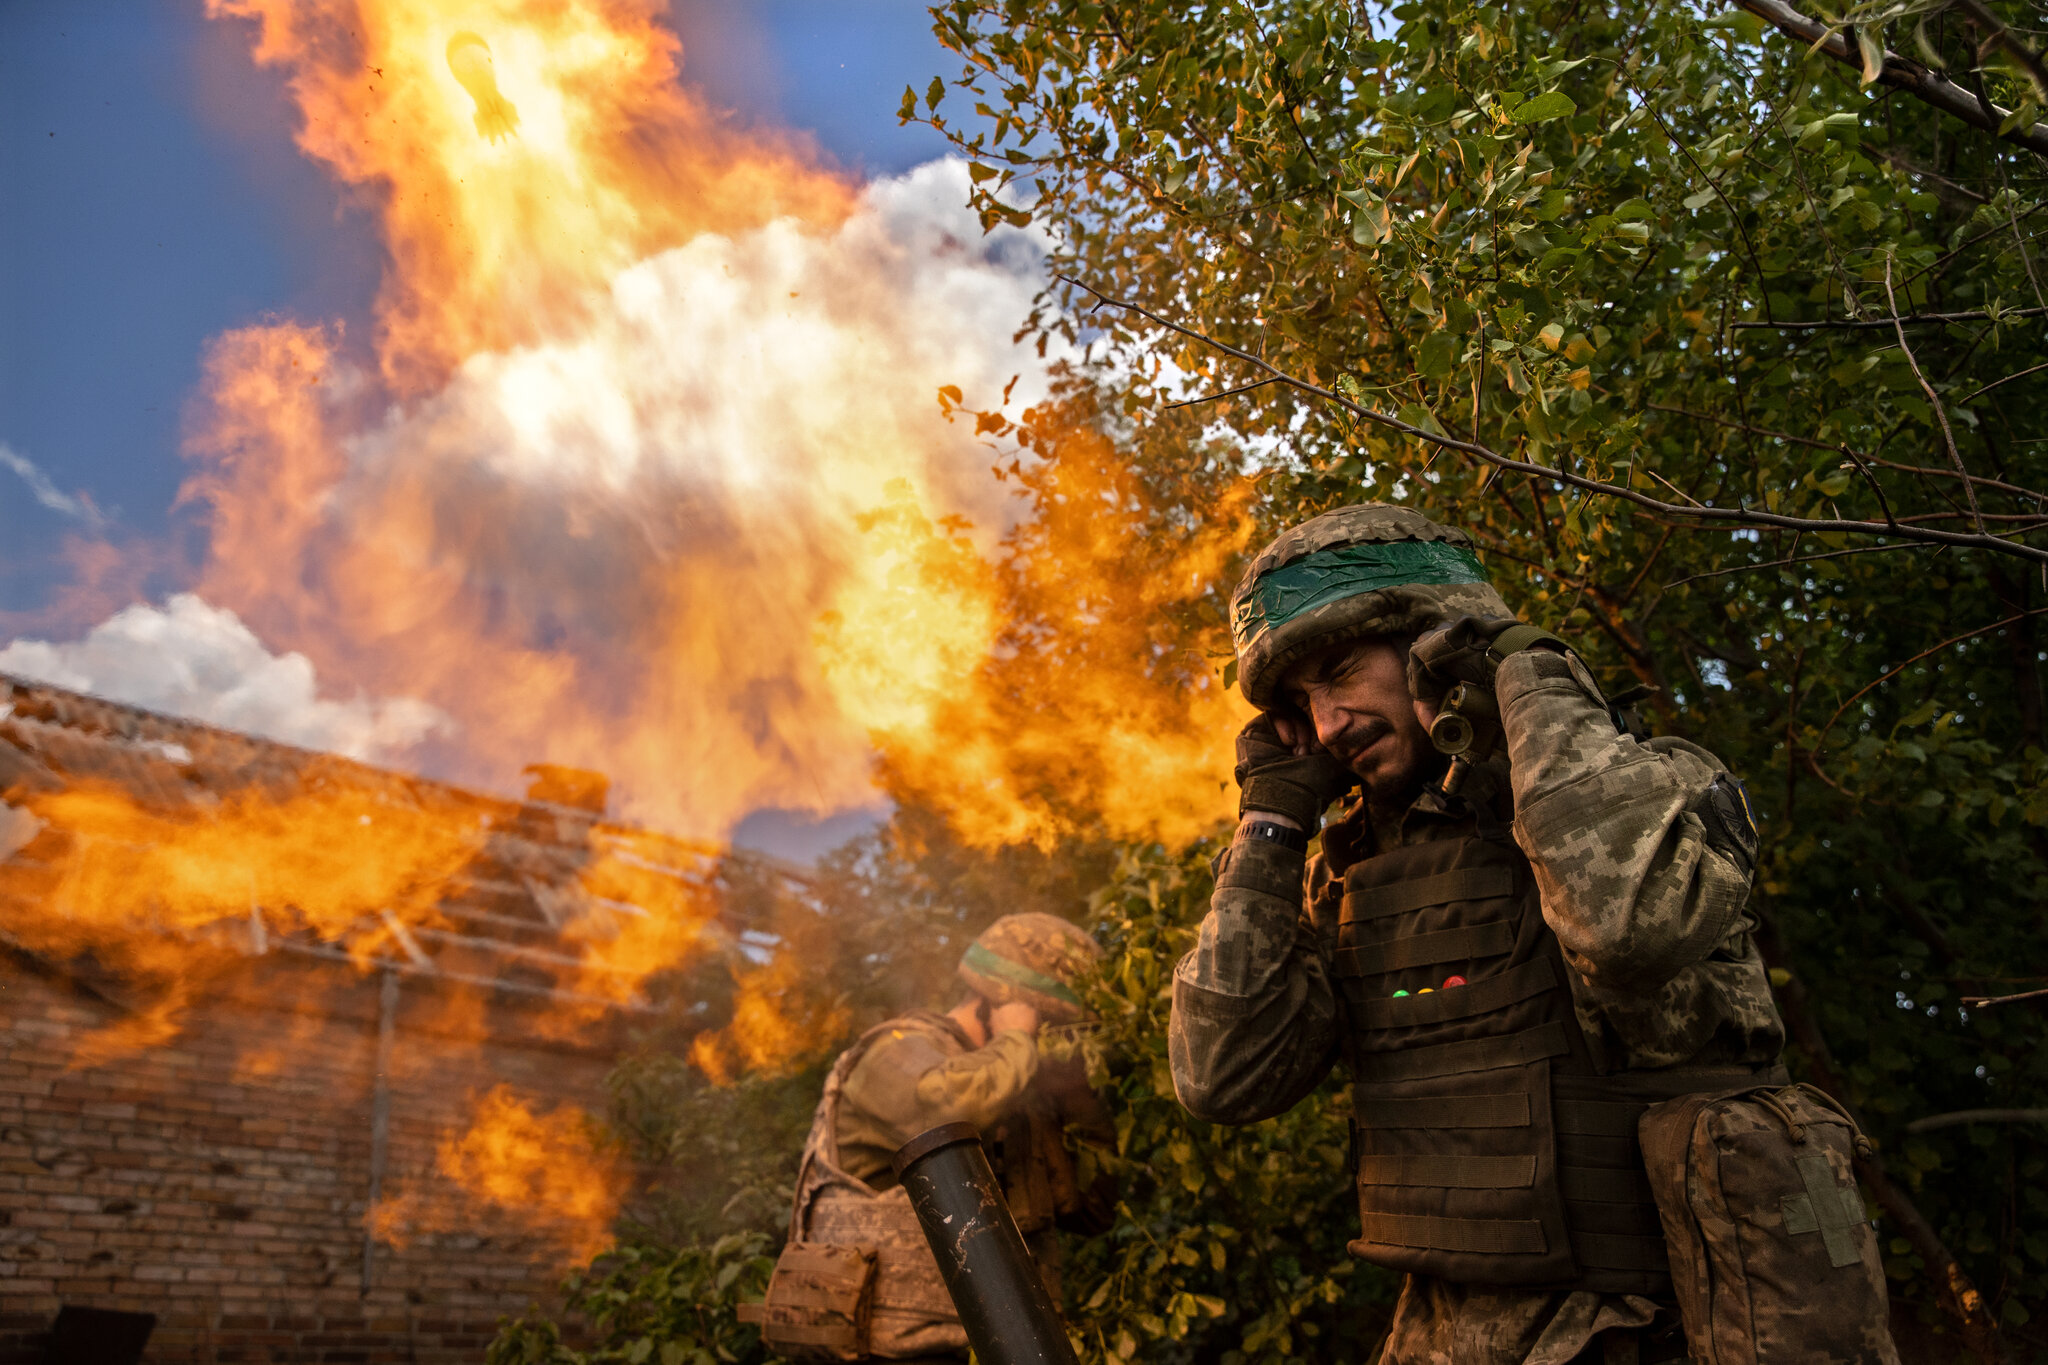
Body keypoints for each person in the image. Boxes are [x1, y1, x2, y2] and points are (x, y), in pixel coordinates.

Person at [1169, 503, 1788, 1364]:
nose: (1327, 724)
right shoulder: (1348, 873)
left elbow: (1625, 929)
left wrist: (1522, 674)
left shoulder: (1657, 790)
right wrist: (1271, 822)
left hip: (1663, 1329)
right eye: (1304, 703)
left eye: (1343, 670)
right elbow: (1221, 1076)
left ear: (1433, 641)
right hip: (1445, 1335)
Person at [779, 913, 1113, 1361]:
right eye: (1046, 1024)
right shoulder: (896, 1050)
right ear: (997, 1004)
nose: (1045, 1043)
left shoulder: (1011, 1089)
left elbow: (1093, 1211)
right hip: (886, 1351)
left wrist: (1078, 1095)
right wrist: (1017, 1037)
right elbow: (943, 1111)